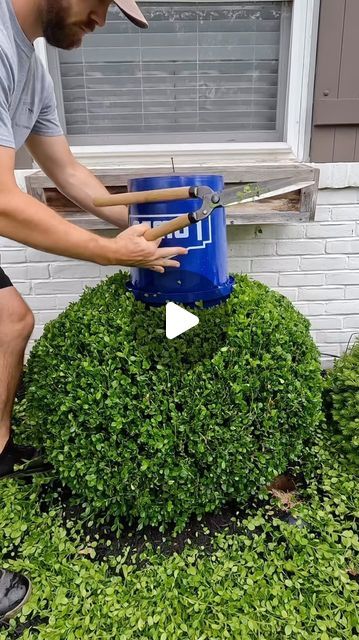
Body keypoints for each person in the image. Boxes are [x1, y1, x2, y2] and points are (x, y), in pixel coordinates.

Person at [0, 0, 187, 618]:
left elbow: (70, 174)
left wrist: (145, 225)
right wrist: (111, 255)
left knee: (11, 322)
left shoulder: (32, 61)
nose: (103, 21)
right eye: (101, 2)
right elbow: (1, 201)